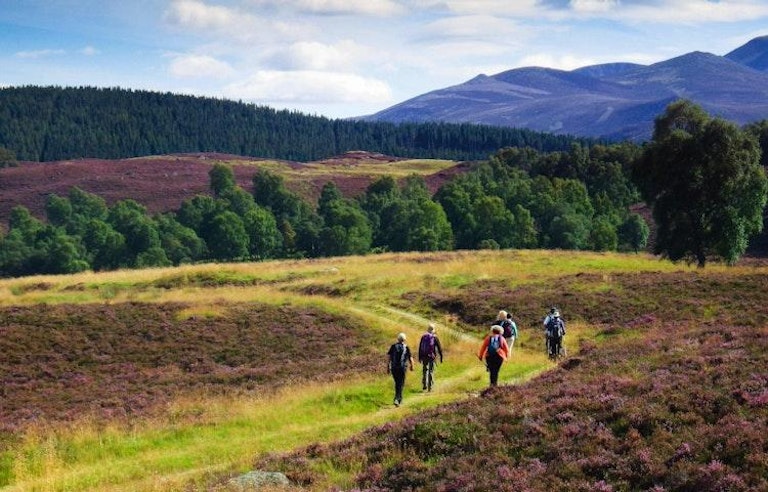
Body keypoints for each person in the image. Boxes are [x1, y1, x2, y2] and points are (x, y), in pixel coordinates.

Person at [387, 332, 414, 406]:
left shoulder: (393, 346)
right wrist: (412, 366)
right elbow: (410, 358)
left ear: (398, 339)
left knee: (397, 383)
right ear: (404, 339)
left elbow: (389, 358)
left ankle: (399, 399)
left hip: (394, 368)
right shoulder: (406, 347)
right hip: (402, 368)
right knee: (401, 383)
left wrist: (388, 367)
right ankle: (396, 399)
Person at [418, 323, 444, 392]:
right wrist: (441, 357)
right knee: (431, 371)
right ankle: (430, 387)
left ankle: (424, 385)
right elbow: (439, 348)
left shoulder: (423, 337)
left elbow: (420, 347)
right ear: (433, 330)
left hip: (424, 356)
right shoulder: (435, 337)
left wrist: (419, 357)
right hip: (431, 356)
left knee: (425, 370)